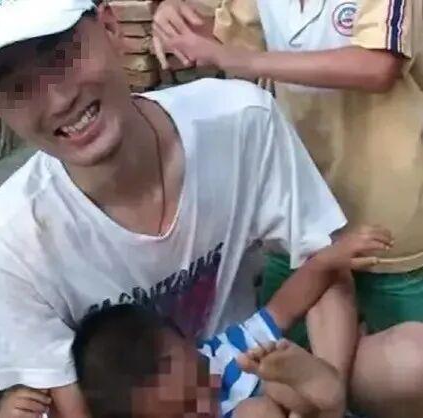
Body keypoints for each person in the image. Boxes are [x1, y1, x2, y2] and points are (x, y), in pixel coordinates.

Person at [0, 1, 366, 417]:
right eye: (17, 87)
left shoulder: (239, 120)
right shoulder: (12, 242)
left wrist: (324, 403)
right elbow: (63, 396)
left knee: (405, 361)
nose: (59, 99)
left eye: (63, 56)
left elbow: (321, 262)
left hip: (245, 373)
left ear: (111, 28)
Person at [152, 0, 423, 417]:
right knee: (285, 368)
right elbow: (223, 41)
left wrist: (234, 58)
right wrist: (174, 22)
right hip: (297, 209)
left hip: (388, 215)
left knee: (407, 377)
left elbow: (377, 66)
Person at [72, 227, 388, 418]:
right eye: (185, 411)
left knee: (274, 384)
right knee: (255, 412)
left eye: (201, 375)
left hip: (305, 407)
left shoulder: (228, 355)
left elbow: (286, 305)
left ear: (190, 344)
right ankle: (316, 385)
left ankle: (308, 382)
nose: (207, 397)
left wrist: (326, 261)